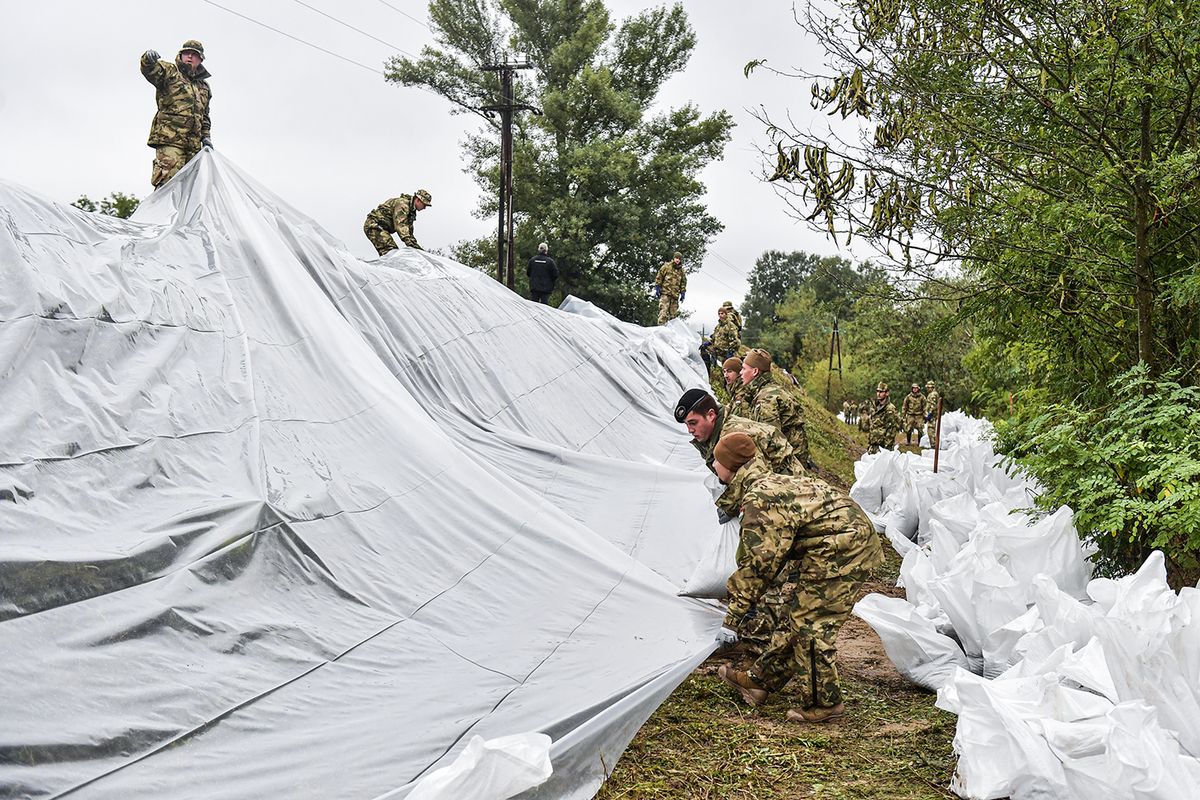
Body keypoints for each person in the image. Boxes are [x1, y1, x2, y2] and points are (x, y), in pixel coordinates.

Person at [712, 433, 884, 723]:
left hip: (845, 546)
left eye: (716, 462)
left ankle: (824, 703)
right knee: (796, 616)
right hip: (835, 542)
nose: (714, 467)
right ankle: (759, 682)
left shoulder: (760, 497)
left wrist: (732, 619)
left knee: (811, 625)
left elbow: (759, 565)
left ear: (730, 465)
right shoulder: (763, 485)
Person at [140, 40, 212, 188]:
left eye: (194, 54)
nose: (190, 57)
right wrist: (148, 60)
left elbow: (204, 115)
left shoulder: (203, 86)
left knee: (189, 189)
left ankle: (181, 212)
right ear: (181, 55)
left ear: (200, 59)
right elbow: (151, 71)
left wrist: (206, 137)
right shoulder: (170, 72)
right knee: (168, 184)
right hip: (170, 139)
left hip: (193, 145)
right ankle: (161, 211)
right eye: (187, 53)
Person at [739, 349, 811, 466]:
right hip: (793, 456)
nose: (740, 373)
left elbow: (771, 441)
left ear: (755, 371)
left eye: (744, 369)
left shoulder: (766, 399)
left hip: (788, 462)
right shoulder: (772, 389)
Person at [363, 190, 432, 256]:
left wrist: (417, 249)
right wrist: (414, 247)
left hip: (381, 228)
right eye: (424, 204)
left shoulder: (411, 212)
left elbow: (409, 233)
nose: (425, 207)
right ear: (418, 200)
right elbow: (401, 227)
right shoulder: (403, 205)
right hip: (374, 225)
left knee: (392, 252)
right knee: (391, 252)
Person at [866, 382, 901, 454]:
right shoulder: (875, 407)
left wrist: (887, 448)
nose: (878, 394)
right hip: (873, 444)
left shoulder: (890, 409)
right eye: (877, 391)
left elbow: (892, 429)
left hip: (883, 446)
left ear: (887, 393)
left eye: (881, 392)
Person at [654, 251, 687, 324]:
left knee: (673, 316)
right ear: (673, 258)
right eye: (676, 258)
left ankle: (671, 333)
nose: (677, 260)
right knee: (663, 313)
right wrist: (657, 287)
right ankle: (661, 330)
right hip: (665, 293)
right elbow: (659, 276)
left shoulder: (681, 271)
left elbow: (683, 282)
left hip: (675, 296)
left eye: (679, 259)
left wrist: (683, 292)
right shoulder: (666, 266)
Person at [924, 380, 942, 449]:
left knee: (931, 431)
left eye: (928, 387)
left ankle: (934, 446)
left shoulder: (932, 395)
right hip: (933, 415)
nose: (927, 389)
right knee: (931, 430)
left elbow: (933, 405)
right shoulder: (933, 394)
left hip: (932, 416)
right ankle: (934, 445)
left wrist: (930, 414)